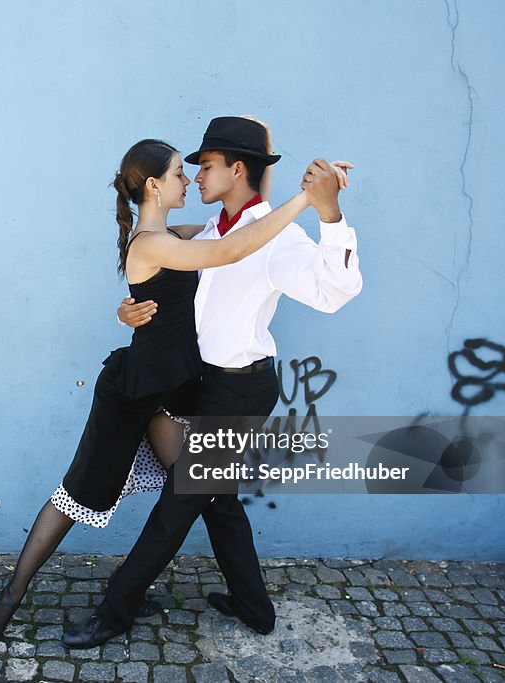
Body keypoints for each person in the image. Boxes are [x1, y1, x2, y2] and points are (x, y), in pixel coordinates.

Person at [0, 137, 343, 650]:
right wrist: (309, 199)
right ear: (153, 185)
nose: (188, 180)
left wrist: (263, 149)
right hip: (135, 392)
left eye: (196, 171)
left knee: (207, 494)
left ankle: (248, 603)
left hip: (171, 392)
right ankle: (7, 602)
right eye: (177, 175)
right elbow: (231, 248)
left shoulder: (175, 233)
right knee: (79, 492)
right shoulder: (152, 243)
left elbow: (244, 227)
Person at [62, 116, 363, 648]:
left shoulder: (275, 238)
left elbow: (334, 290)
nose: (197, 176)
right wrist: (127, 311)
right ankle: (253, 605)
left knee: (178, 504)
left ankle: (115, 609)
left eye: (206, 166)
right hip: (200, 384)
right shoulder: (209, 230)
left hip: (241, 389)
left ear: (237, 169)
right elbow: (153, 256)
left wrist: (330, 214)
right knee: (217, 499)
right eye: (192, 168)